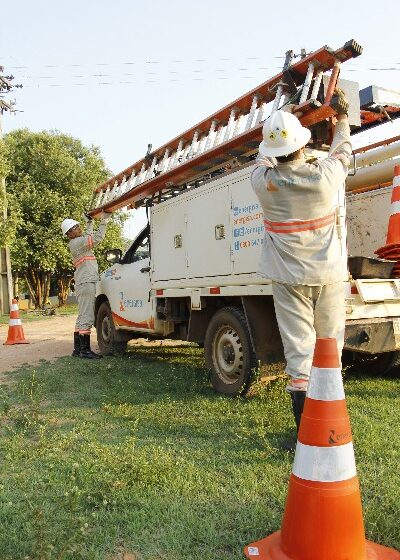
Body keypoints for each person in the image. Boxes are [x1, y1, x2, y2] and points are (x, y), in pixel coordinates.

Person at [251, 92, 351, 449]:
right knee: (330, 349)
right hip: (329, 275)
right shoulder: (325, 177)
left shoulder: (263, 184)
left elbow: (262, 157)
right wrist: (340, 118)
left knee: (299, 354)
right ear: (303, 145)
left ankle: (304, 435)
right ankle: (331, 427)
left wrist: (282, 115)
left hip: (288, 279)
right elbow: (343, 151)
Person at [61, 211, 112, 359]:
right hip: (86, 282)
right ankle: (85, 351)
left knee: (82, 316)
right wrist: (104, 221)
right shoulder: (77, 243)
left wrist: (90, 222)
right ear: (69, 234)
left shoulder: (78, 242)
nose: (79, 228)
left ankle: (78, 350)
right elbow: (97, 238)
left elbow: (88, 237)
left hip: (84, 282)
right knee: (88, 316)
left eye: (78, 225)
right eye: (75, 228)